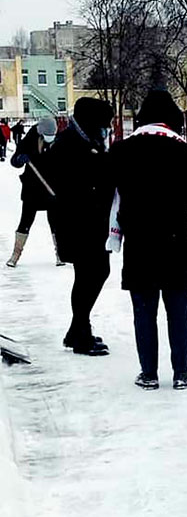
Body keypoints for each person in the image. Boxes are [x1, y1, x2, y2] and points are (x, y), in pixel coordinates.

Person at [108, 90, 187, 390]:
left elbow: (107, 191)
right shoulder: (181, 149)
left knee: (144, 311)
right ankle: (181, 372)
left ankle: (148, 373)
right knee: (178, 311)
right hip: (175, 242)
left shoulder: (122, 150)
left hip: (139, 244)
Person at [47, 97, 115, 356]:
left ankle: (78, 330)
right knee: (91, 274)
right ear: (91, 122)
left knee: (92, 274)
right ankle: (80, 334)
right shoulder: (69, 145)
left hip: (91, 223)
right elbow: (76, 186)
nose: (108, 128)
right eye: (105, 123)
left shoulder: (88, 141)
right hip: (76, 223)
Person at [6, 116, 63, 267]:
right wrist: (19, 159)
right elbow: (14, 161)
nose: (50, 139)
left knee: (56, 222)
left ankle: (60, 254)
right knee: (25, 221)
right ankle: (15, 254)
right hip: (32, 189)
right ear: (40, 132)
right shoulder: (29, 140)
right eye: (47, 136)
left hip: (53, 188)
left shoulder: (60, 141)